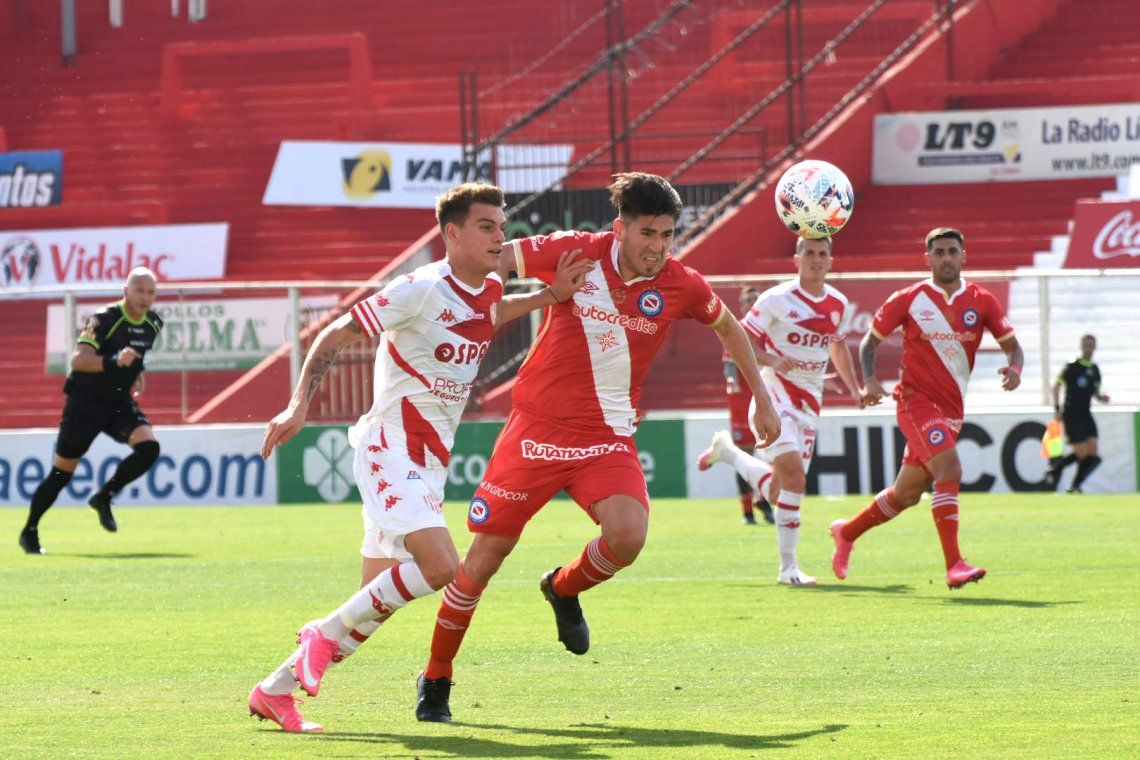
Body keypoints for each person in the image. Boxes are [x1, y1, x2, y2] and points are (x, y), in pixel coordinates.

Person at [414, 172, 782, 723]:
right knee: (483, 562)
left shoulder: (681, 283)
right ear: (620, 227)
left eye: (667, 235)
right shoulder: (573, 252)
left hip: (606, 438)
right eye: (647, 233)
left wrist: (764, 401)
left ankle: (562, 589)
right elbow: (490, 260)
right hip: (536, 430)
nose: (658, 247)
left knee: (628, 535)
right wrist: (523, 297)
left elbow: (730, 329)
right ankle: (436, 676)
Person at [246, 183, 591, 733]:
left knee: (371, 606)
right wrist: (297, 406)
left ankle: (274, 691)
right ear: (451, 234)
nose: (499, 236)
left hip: (428, 462)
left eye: (502, 226)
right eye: (486, 226)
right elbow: (336, 333)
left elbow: (489, 313)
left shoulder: (490, 283)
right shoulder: (420, 288)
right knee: (442, 568)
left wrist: (548, 298)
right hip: (390, 447)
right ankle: (317, 633)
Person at [830, 227, 1024, 589]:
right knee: (949, 467)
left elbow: (1013, 346)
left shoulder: (982, 300)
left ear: (963, 255)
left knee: (905, 494)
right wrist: (870, 382)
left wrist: (1015, 368)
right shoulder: (909, 298)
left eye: (952, 251)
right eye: (939, 252)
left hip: (952, 408)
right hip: (914, 401)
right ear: (928, 258)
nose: (946, 258)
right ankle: (955, 564)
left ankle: (847, 532)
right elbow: (869, 344)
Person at [697, 236, 861, 585]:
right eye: (810, 253)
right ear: (796, 259)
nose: (816, 260)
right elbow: (738, 338)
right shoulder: (776, 299)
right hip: (774, 394)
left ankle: (728, 453)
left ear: (831, 261)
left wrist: (854, 389)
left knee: (779, 489)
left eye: (823, 254)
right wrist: (773, 360)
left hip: (810, 402)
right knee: (795, 478)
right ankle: (788, 570)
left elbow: (838, 347)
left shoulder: (839, 303)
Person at [18, 268, 163, 555]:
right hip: (85, 403)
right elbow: (78, 360)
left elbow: (135, 355)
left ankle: (104, 496)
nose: (145, 297)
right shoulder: (104, 319)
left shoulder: (154, 323)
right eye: (139, 290)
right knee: (61, 474)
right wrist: (113, 362)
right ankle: (30, 530)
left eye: (150, 292)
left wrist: (136, 371)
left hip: (118, 402)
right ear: (126, 290)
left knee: (149, 448)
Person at [722, 285, 770, 525]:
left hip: (770, 397)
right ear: (741, 306)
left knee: (772, 453)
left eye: (756, 299)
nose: (752, 303)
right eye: (748, 300)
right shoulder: (738, 328)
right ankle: (747, 511)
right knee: (746, 454)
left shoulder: (771, 328)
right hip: (743, 399)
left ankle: (765, 499)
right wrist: (731, 380)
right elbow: (729, 359)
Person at [1046, 335, 1109, 492]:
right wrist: (1057, 409)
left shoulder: (1095, 369)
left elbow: (1096, 392)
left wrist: (1102, 398)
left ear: (1095, 347)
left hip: (1086, 414)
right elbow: (1056, 387)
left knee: (1093, 453)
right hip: (1071, 414)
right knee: (1082, 453)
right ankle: (1064, 477)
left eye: (1091, 345)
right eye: (1086, 345)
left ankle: (1071, 483)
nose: (1088, 348)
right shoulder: (1072, 366)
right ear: (1081, 346)